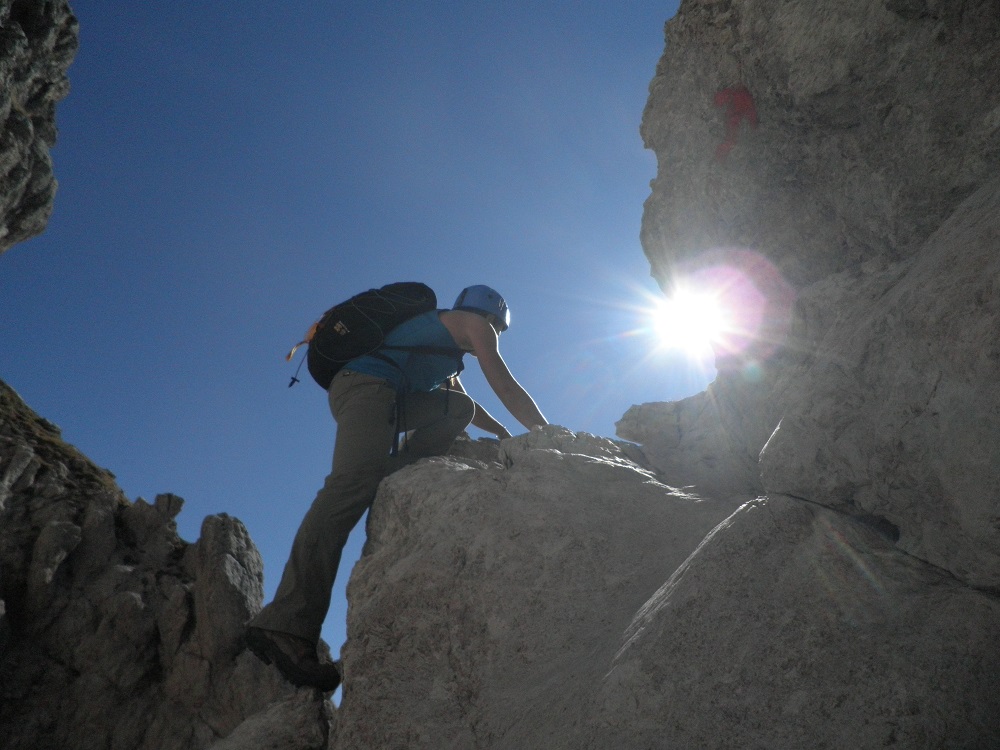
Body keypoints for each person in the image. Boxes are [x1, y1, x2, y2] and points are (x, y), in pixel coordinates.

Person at [247, 285, 548, 690]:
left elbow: (467, 408)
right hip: (367, 388)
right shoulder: (478, 325)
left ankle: (394, 475)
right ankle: (285, 625)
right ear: (494, 318)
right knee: (345, 492)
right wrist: (546, 434)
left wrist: (509, 435)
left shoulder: (445, 345)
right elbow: (503, 382)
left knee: (455, 408)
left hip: (377, 393)